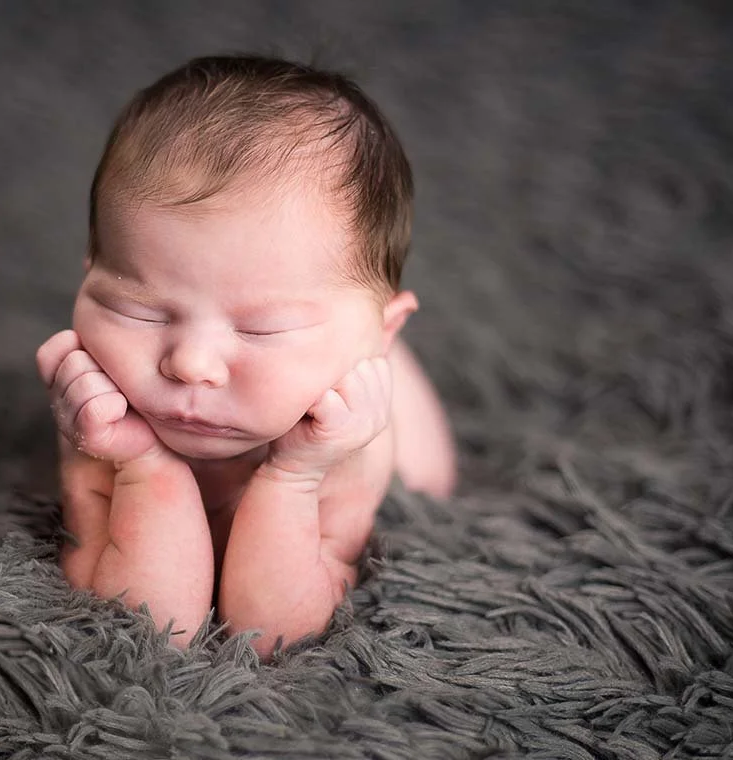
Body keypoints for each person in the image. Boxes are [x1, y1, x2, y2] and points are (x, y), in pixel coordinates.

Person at [36, 54, 456, 658]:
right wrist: (141, 467)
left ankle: (385, 351)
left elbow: (272, 631)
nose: (190, 363)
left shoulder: (351, 446)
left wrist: (293, 476)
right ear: (88, 281)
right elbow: (143, 628)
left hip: (366, 422)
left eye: (263, 329)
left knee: (428, 473)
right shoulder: (102, 408)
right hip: (316, 352)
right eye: (141, 310)